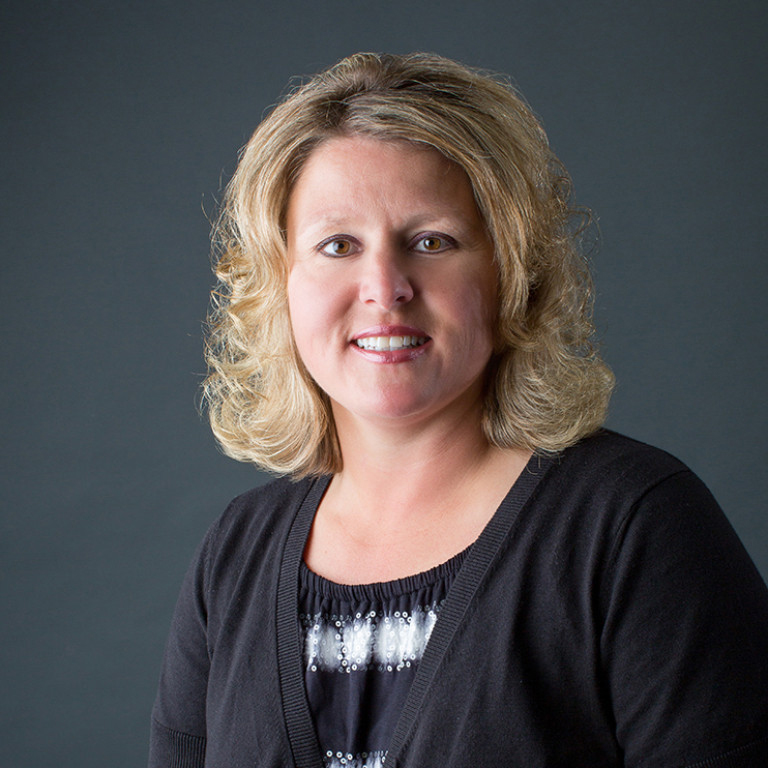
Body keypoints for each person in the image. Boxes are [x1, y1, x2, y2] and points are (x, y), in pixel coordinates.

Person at [149, 53, 768, 768]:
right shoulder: (236, 553)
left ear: (511, 273)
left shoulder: (633, 527)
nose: (384, 287)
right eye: (337, 245)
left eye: (430, 241)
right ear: (279, 283)